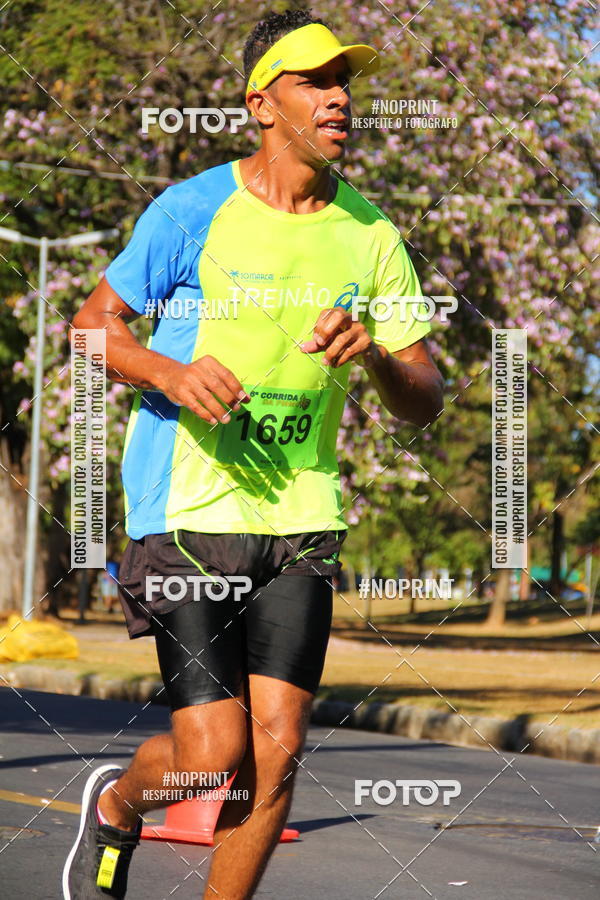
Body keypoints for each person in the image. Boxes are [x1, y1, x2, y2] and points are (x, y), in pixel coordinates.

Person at [62, 8, 444, 899]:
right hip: (190, 511)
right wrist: (167, 368)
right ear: (261, 104)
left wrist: (380, 356)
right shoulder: (192, 208)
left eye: (345, 82)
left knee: (274, 762)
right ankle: (120, 803)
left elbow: (422, 400)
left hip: (302, 518)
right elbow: (90, 329)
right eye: (315, 81)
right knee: (211, 757)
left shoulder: (372, 235)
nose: (340, 98)